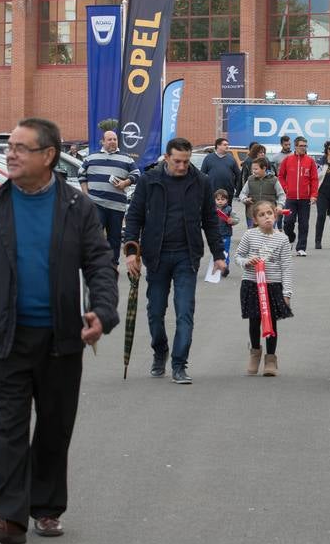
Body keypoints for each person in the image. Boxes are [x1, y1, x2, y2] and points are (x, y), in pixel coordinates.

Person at [0, 118, 119, 544]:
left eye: (21, 148)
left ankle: (45, 507)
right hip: (6, 336)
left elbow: (100, 264)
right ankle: (7, 517)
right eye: (9, 146)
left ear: (48, 156)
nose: (11, 154)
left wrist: (101, 310)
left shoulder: (76, 208)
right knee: (8, 424)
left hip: (62, 338)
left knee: (54, 425)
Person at [122, 136, 227, 385]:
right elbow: (134, 216)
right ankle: (160, 351)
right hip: (155, 256)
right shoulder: (150, 180)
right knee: (155, 312)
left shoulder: (200, 182)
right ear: (167, 157)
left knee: (184, 312)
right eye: (178, 161)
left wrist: (219, 255)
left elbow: (211, 222)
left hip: (186, 256)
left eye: (186, 161)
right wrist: (129, 252)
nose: (182, 166)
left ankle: (180, 364)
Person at [234, 200, 294, 377]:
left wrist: (287, 292)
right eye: (262, 215)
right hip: (252, 283)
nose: (267, 217)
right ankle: (255, 353)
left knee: (271, 321)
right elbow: (239, 256)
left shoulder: (282, 238)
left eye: (269, 213)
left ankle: (270, 359)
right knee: (254, 320)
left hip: (273, 285)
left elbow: (286, 266)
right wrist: (246, 262)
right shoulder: (249, 235)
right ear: (255, 219)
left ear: (275, 216)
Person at [79, 129, 139, 264]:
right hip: (96, 204)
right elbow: (81, 175)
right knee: (95, 236)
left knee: (114, 238)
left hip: (116, 206)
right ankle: (95, 263)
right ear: (103, 141)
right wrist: (85, 193)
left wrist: (125, 182)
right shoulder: (91, 158)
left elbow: (136, 174)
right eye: (109, 139)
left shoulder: (126, 158)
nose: (113, 142)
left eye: (115, 139)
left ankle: (112, 265)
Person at [277, 135, 319, 256]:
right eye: (301, 146)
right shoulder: (287, 160)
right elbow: (280, 176)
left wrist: (314, 195)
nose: (303, 148)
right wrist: (286, 188)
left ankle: (301, 248)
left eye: (305, 146)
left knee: (304, 223)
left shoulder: (310, 161)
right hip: (290, 198)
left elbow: (314, 179)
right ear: (295, 146)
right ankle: (291, 238)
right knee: (288, 222)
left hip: (305, 198)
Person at [238, 156, 286, 222]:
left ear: (264, 168)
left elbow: (281, 195)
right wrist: (245, 199)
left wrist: (280, 205)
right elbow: (242, 194)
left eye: (256, 169)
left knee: (268, 232)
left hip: (269, 215)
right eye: (252, 169)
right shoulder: (250, 179)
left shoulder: (274, 180)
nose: (253, 171)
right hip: (252, 215)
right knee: (252, 232)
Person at [212, 188, 238, 277]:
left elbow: (237, 219)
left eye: (222, 199)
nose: (220, 201)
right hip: (215, 234)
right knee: (216, 251)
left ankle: (225, 268)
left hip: (226, 234)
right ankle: (216, 266)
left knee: (225, 251)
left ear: (227, 200)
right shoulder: (212, 209)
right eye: (218, 199)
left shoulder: (229, 209)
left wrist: (232, 220)